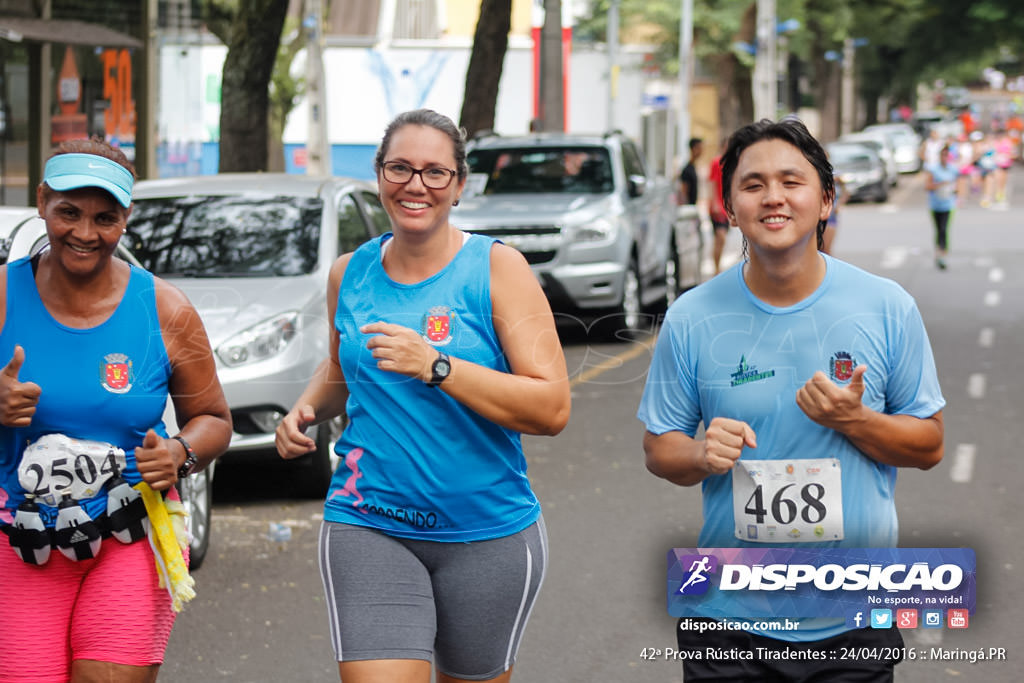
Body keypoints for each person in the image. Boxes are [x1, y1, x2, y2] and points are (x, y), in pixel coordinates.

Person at [637, 118, 945, 682]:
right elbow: (660, 449)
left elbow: (928, 445)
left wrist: (855, 420)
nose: (773, 197)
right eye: (753, 185)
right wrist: (702, 454)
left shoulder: (886, 306)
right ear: (729, 206)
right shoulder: (691, 316)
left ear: (826, 200)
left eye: (791, 182)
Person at [275, 108, 571, 683]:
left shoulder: (498, 269)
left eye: (436, 172)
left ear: (459, 186)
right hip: (369, 521)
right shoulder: (349, 274)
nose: (416, 184)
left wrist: (436, 366)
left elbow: (552, 407)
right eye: (400, 168)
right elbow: (340, 367)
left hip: (486, 532)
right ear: (379, 175)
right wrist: (304, 411)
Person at [0, 138, 232, 681]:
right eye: (69, 213)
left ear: (126, 218)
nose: (84, 233)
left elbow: (215, 420)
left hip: (128, 535)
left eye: (105, 218)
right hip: (19, 541)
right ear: (41, 202)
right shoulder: (5, 297)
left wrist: (180, 453)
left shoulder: (166, 309)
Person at [925, 142, 959, 269]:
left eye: (946, 155)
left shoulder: (953, 169)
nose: (944, 157)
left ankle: (943, 253)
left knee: (944, 229)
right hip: (935, 204)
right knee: (938, 229)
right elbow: (927, 186)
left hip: (948, 205)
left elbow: (957, 185)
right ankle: (938, 251)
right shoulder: (933, 169)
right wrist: (940, 185)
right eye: (942, 155)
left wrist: (954, 191)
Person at [706, 140, 730, 274]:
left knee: (721, 239)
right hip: (717, 207)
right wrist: (714, 203)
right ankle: (716, 268)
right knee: (720, 236)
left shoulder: (732, 164)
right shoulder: (716, 162)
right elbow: (712, 182)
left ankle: (717, 264)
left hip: (726, 207)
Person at [678, 137, 703, 206]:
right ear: (693, 149)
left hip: (693, 206)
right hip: (688, 208)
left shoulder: (694, 167)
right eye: (699, 148)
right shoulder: (687, 170)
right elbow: (683, 193)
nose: (701, 151)